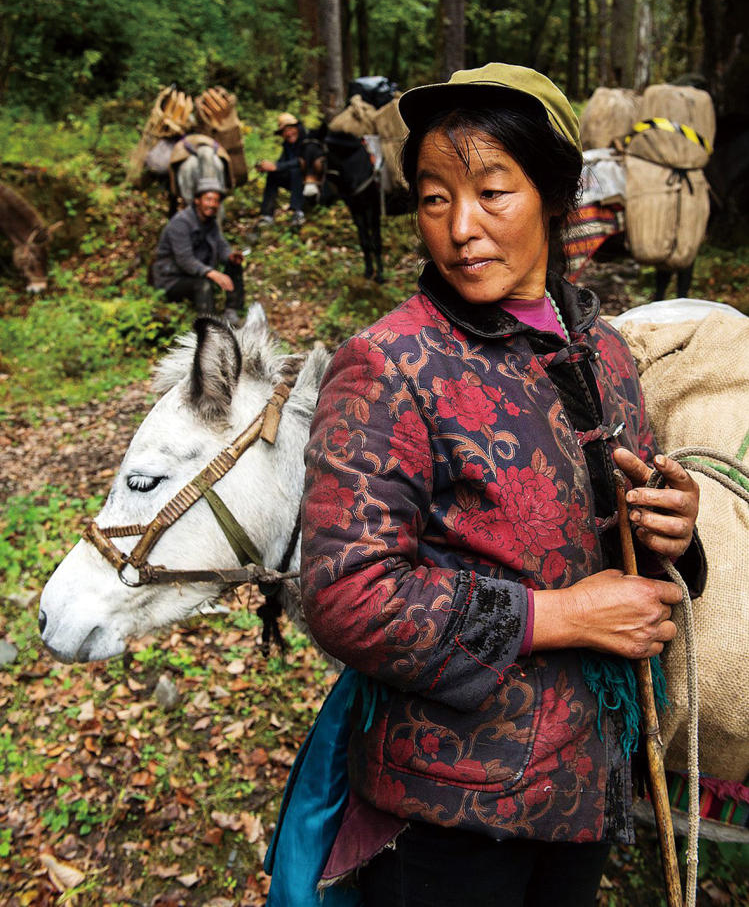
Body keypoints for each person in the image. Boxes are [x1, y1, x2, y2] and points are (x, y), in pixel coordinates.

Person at [299, 64, 705, 907]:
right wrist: (559, 615)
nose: (460, 229)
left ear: (554, 195)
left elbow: (637, 569)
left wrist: (675, 535)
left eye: (492, 191)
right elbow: (346, 593)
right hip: (454, 808)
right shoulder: (391, 364)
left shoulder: (604, 350)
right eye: (435, 198)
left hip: (587, 785)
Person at [152, 177, 244, 324]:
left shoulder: (211, 223)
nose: (212, 204)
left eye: (216, 201)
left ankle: (231, 311)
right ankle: (209, 327)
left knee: (234, 264)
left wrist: (231, 256)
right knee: (203, 284)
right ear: (197, 200)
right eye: (208, 199)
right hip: (172, 279)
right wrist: (212, 274)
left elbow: (222, 245)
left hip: (196, 274)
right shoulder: (180, 223)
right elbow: (185, 260)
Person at [257, 112, 322, 228]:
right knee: (273, 175)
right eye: (284, 131)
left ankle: (298, 212)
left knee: (296, 170)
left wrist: (278, 166)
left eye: (291, 129)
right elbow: (282, 164)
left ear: (297, 128)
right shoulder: (287, 145)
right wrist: (269, 167)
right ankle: (267, 215)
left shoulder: (308, 141)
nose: (288, 133)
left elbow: (304, 161)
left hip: (312, 181)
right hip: (295, 182)